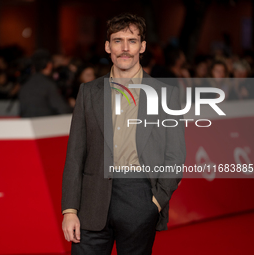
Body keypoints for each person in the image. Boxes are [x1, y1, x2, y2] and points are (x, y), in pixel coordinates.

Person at [61, 13, 186, 255]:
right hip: (91, 198)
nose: (125, 48)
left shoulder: (166, 95)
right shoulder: (89, 92)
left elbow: (175, 156)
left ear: (143, 46)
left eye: (132, 40)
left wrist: (156, 201)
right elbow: (75, 155)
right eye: (118, 41)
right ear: (108, 46)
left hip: (139, 196)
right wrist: (70, 210)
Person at [19, 49, 72, 117]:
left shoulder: (25, 85)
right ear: (49, 65)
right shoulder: (48, 84)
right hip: (45, 124)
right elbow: (62, 109)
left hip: (28, 124)